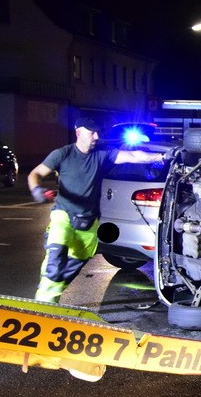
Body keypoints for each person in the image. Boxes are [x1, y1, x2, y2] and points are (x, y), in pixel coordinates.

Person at [27, 117, 171, 303]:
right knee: (55, 259)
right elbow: (35, 174)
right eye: (91, 132)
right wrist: (36, 190)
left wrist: (162, 157)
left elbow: (133, 156)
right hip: (63, 216)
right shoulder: (62, 154)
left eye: (97, 132)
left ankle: (51, 298)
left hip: (89, 221)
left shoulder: (102, 155)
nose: (96, 136)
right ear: (79, 132)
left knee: (75, 264)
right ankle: (42, 303)